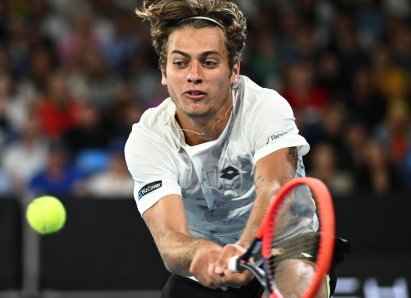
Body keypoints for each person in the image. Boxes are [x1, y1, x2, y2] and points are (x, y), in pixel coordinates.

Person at [124, 1, 346, 297]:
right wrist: (199, 252)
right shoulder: (147, 139)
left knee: (297, 281)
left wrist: (244, 251)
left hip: (287, 246)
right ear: (164, 72)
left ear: (234, 71)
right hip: (209, 264)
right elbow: (170, 240)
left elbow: (276, 190)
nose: (194, 75)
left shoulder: (266, 108)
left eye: (209, 62)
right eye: (180, 63)